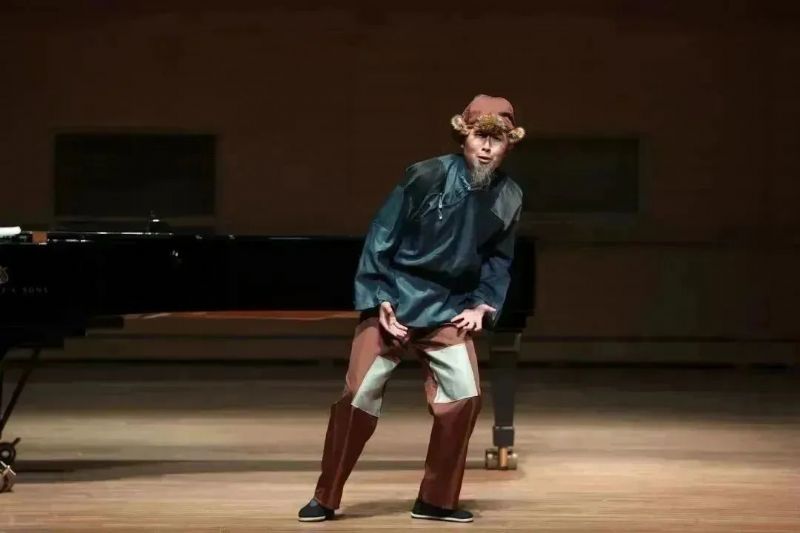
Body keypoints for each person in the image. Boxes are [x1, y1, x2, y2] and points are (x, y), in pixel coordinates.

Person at [298, 94, 525, 523]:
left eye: (496, 139)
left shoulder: (509, 195)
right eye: (479, 136)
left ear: (508, 144)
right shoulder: (426, 175)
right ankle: (326, 497)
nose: (486, 147)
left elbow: (499, 258)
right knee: (358, 396)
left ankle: (436, 500)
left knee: (465, 396)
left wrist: (483, 304)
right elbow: (382, 234)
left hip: (450, 307)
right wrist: (380, 298)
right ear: (463, 136)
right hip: (395, 299)